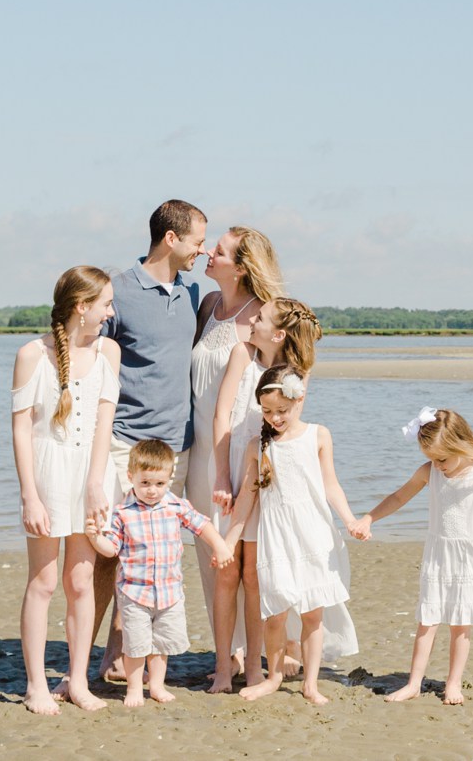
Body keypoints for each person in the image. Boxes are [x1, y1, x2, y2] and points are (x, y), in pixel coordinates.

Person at [94, 198, 207, 680]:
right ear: (171, 238)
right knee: (107, 552)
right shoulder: (117, 290)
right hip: (123, 442)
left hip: (176, 448)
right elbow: (88, 357)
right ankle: (96, 657)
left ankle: (125, 656)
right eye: (198, 241)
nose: (201, 251)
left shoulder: (193, 292)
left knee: (149, 554)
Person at [9, 266, 121, 715]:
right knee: (43, 580)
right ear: (82, 307)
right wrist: (29, 495)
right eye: (106, 304)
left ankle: (77, 681)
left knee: (80, 581)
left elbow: (103, 425)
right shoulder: (31, 354)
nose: (111, 313)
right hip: (47, 473)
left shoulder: (109, 352)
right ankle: (36, 685)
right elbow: (20, 430)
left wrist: (96, 484)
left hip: (91, 476)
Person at [222, 365, 366, 705]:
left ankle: (310, 682)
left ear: (299, 400)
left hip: (313, 534)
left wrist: (350, 520)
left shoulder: (318, 435)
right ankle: (273, 677)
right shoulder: (258, 446)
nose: (275, 418)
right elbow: (247, 497)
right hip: (276, 538)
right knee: (275, 613)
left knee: (312, 614)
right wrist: (230, 539)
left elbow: (331, 484)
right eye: (268, 411)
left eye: (282, 411)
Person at [353, 407, 473, 705]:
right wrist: (369, 518)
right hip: (438, 556)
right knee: (427, 620)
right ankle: (414, 683)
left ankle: (453, 684)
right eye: (432, 459)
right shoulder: (430, 472)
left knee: (460, 624)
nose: (438, 465)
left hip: (469, 558)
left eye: (442, 458)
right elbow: (399, 497)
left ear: (460, 444)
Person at [207, 295, 322, 692]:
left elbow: (289, 430)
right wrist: (222, 474)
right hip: (230, 461)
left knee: (255, 574)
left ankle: (256, 667)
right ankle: (224, 666)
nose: (250, 319)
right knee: (227, 571)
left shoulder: (298, 373)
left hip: (265, 470)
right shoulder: (242, 353)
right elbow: (222, 416)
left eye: (259, 317)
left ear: (278, 332)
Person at [187, 224, 282, 685]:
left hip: (240, 450)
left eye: (219, 251)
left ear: (241, 267)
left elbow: (282, 389)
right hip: (202, 450)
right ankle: (227, 653)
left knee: (249, 557)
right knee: (211, 556)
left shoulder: (263, 315)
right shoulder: (207, 306)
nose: (208, 252)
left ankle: (257, 653)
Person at [88, 441, 234, 707]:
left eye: (159, 484)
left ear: (169, 479)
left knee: (161, 644)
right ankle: (134, 688)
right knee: (135, 644)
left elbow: (201, 524)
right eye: (145, 483)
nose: (152, 491)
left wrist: (220, 546)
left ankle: (156, 685)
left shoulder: (175, 505)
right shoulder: (122, 512)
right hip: (135, 593)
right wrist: (95, 538)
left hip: (169, 593)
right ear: (131, 477)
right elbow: (111, 549)